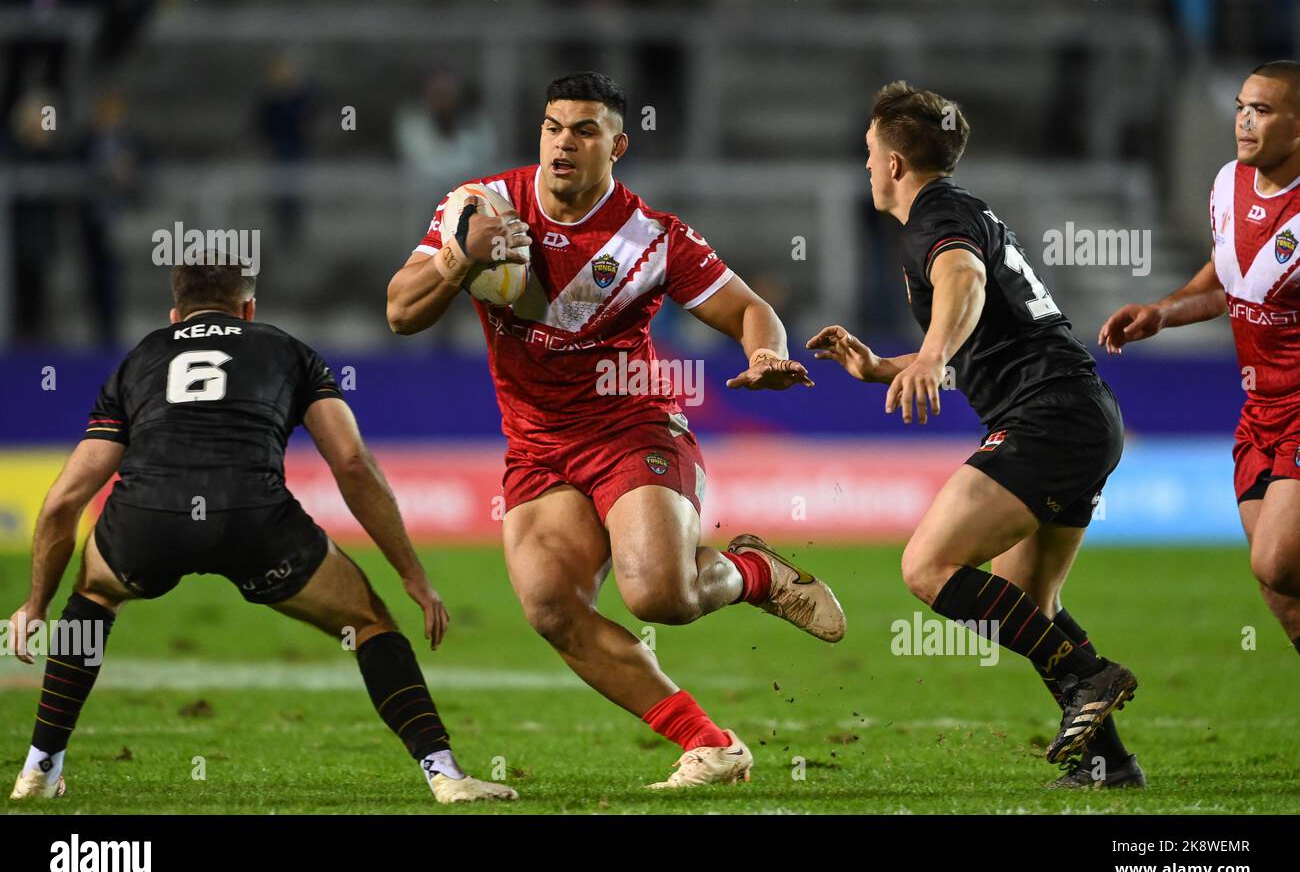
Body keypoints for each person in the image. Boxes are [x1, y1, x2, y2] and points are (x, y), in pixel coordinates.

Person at [387, 71, 845, 789]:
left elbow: (751, 308)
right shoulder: (480, 207)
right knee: (550, 608)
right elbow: (401, 313)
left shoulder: (652, 238)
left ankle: (755, 572)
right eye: (552, 127)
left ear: (617, 144)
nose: (563, 143)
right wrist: (459, 257)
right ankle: (711, 745)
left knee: (661, 598)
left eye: (584, 130)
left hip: (632, 427)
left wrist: (766, 353)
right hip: (538, 444)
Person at [8, 256, 515, 804]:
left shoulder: (141, 358)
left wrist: (35, 605)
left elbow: (64, 501)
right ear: (248, 309)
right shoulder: (287, 350)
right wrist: (413, 575)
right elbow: (350, 465)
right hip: (253, 517)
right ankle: (444, 773)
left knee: (93, 597)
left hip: (147, 520)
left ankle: (39, 768)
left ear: (176, 314)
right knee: (368, 623)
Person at [810, 81, 1142, 788]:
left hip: (1047, 416)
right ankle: (1110, 762)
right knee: (1029, 600)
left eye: (870, 153)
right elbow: (983, 333)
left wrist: (929, 357)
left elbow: (963, 283)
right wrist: (881, 366)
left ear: (896, 163)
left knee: (927, 568)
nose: (865, 166)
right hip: (1079, 411)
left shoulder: (935, 217)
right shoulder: (965, 209)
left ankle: (1088, 676)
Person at [1099, 60, 1300, 655]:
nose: (1243, 120)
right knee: (1277, 589)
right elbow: (1225, 281)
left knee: (1277, 561)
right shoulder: (1226, 185)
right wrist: (1162, 311)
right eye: (1242, 106)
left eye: (1262, 111)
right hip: (1258, 410)